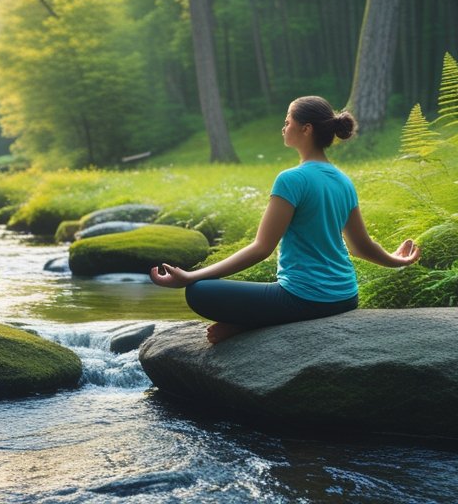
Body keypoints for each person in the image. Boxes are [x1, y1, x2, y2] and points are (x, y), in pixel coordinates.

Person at [149, 96, 420, 344]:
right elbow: (360, 247)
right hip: (346, 298)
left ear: (306, 129)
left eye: (288, 121)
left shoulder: (292, 180)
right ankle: (247, 324)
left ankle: (249, 326)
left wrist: (190, 277)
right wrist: (397, 260)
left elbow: (261, 248)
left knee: (199, 292)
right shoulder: (343, 181)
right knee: (248, 293)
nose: (283, 127)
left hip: (304, 299)